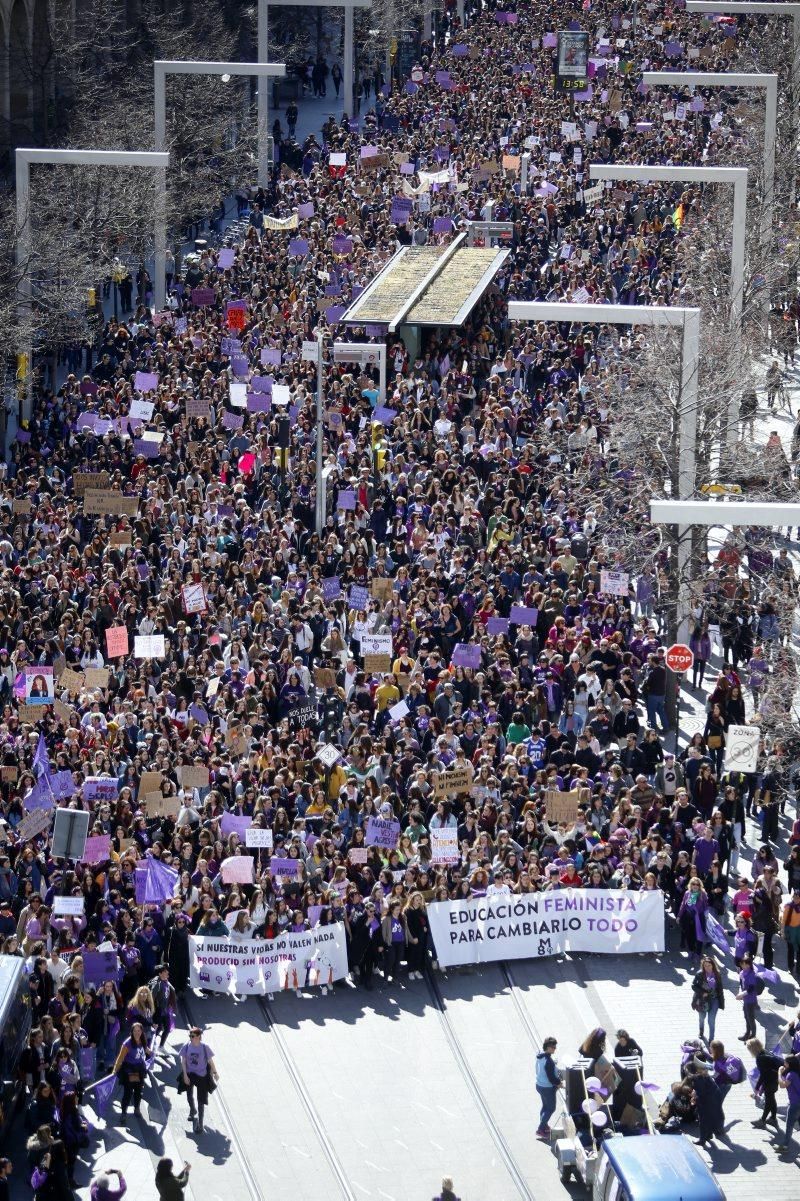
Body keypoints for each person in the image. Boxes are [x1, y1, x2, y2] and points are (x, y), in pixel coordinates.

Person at [180, 1027, 218, 1134]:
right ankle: (192, 1110)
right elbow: (183, 1061)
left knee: (201, 1100)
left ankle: (200, 1124)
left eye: (193, 1036)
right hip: (190, 1074)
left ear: (199, 1037)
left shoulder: (204, 1047)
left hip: (202, 1075)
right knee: (189, 1095)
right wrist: (185, 1075)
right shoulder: (187, 1046)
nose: (191, 1038)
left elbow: (210, 1061)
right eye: (190, 1036)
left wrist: (215, 1073)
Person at [112, 1022, 149, 1120]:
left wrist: (152, 1052)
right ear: (132, 1032)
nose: (137, 1033)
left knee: (139, 1091)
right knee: (128, 1093)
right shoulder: (127, 1043)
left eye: (139, 1030)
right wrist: (115, 1070)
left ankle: (136, 1108)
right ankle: (124, 1112)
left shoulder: (142, 1040)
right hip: (129, 1070)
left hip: (140, 1069)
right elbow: (120, 1058)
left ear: (141, 1031)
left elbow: (145, 1050)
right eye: (135, 1031)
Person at [746, 1038, 781, 1130]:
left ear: (753, 1049)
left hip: (769, 1082)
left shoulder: (760, 1058)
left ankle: (762, 1120)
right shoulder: (765, 1051)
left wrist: (757, 1088)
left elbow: (763, 1075)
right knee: (771, 1099)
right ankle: (773, 1118)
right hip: (775, 1079)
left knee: (768, 1102)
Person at [690, 1060, 726, 1147]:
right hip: (714, 1099)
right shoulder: (707, 1077)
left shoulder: (698, 1079)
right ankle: (708, 1135)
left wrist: (694, 1098)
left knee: (703, 1120)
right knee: (709, 1118)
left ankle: (702, 1140)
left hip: (707, 1102)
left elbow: (701, 1093)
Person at [692, 956, 725, 1044]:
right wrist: (702, 992)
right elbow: (693, 985)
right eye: (705, 966)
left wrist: (722, 1001)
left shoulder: (717, 974)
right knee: (702, 1017)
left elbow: (720, 989)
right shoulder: (699, 974)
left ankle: (711, 1040)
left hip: (714, 1000)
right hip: (702, 1000)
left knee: (711, 1020)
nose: (707, 967)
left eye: (709, 965)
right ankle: (701, 1030)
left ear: (713, 965)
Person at [535, 1037, 561, 1139]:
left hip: (539, 1085)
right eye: (553, 1047)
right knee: (551, 1108)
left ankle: (544, 1124)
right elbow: (551, 1078)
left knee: (545, 1106)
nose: (555, 1049)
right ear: (548, 1048)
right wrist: (559, 1083)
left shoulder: (540, 1055)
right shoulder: (548, 1061)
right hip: (547, 1088)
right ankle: (540, 1129)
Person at [776, 1054, 800, 1156]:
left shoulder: (791, 1074)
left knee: (789, 1125)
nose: (783, 1063)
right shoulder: (796, 1072)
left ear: (789, 1064)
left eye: (785, 1062)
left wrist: (779, 1073)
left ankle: (784, 1146)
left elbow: (782, 1085)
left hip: (795, 1103)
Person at [737, 955, 760, 1042]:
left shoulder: (751, 974)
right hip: (746, 999)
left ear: (748, 965)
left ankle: (753, 1036)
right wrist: (741, 993)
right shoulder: (743, 972)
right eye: (741, 964)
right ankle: (747, 1034)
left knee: (750, 1018)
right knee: (746, 1017)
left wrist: (742, 994)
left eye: (743, 964)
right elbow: (742, 984)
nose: (742, 965)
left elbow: (751, 988)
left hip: (750, 1000)